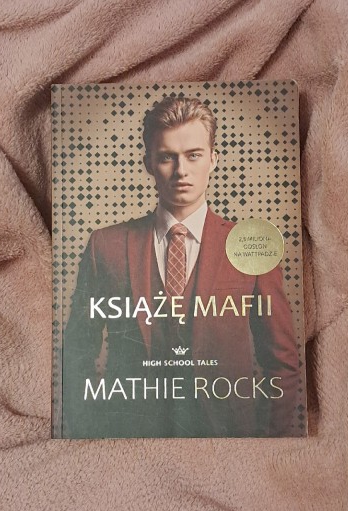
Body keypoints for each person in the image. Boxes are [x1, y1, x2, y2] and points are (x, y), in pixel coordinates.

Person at [62, 96, 300, 438]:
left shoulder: (251, 246)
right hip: (130, 440)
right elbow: (77, 351)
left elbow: (282, 362)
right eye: (166, 157)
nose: (181, 171)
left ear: (213, 159)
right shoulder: (106, 246)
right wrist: (93, 436)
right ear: (148, 163)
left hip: (228, 440)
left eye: (193, 155)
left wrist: (269, 446)